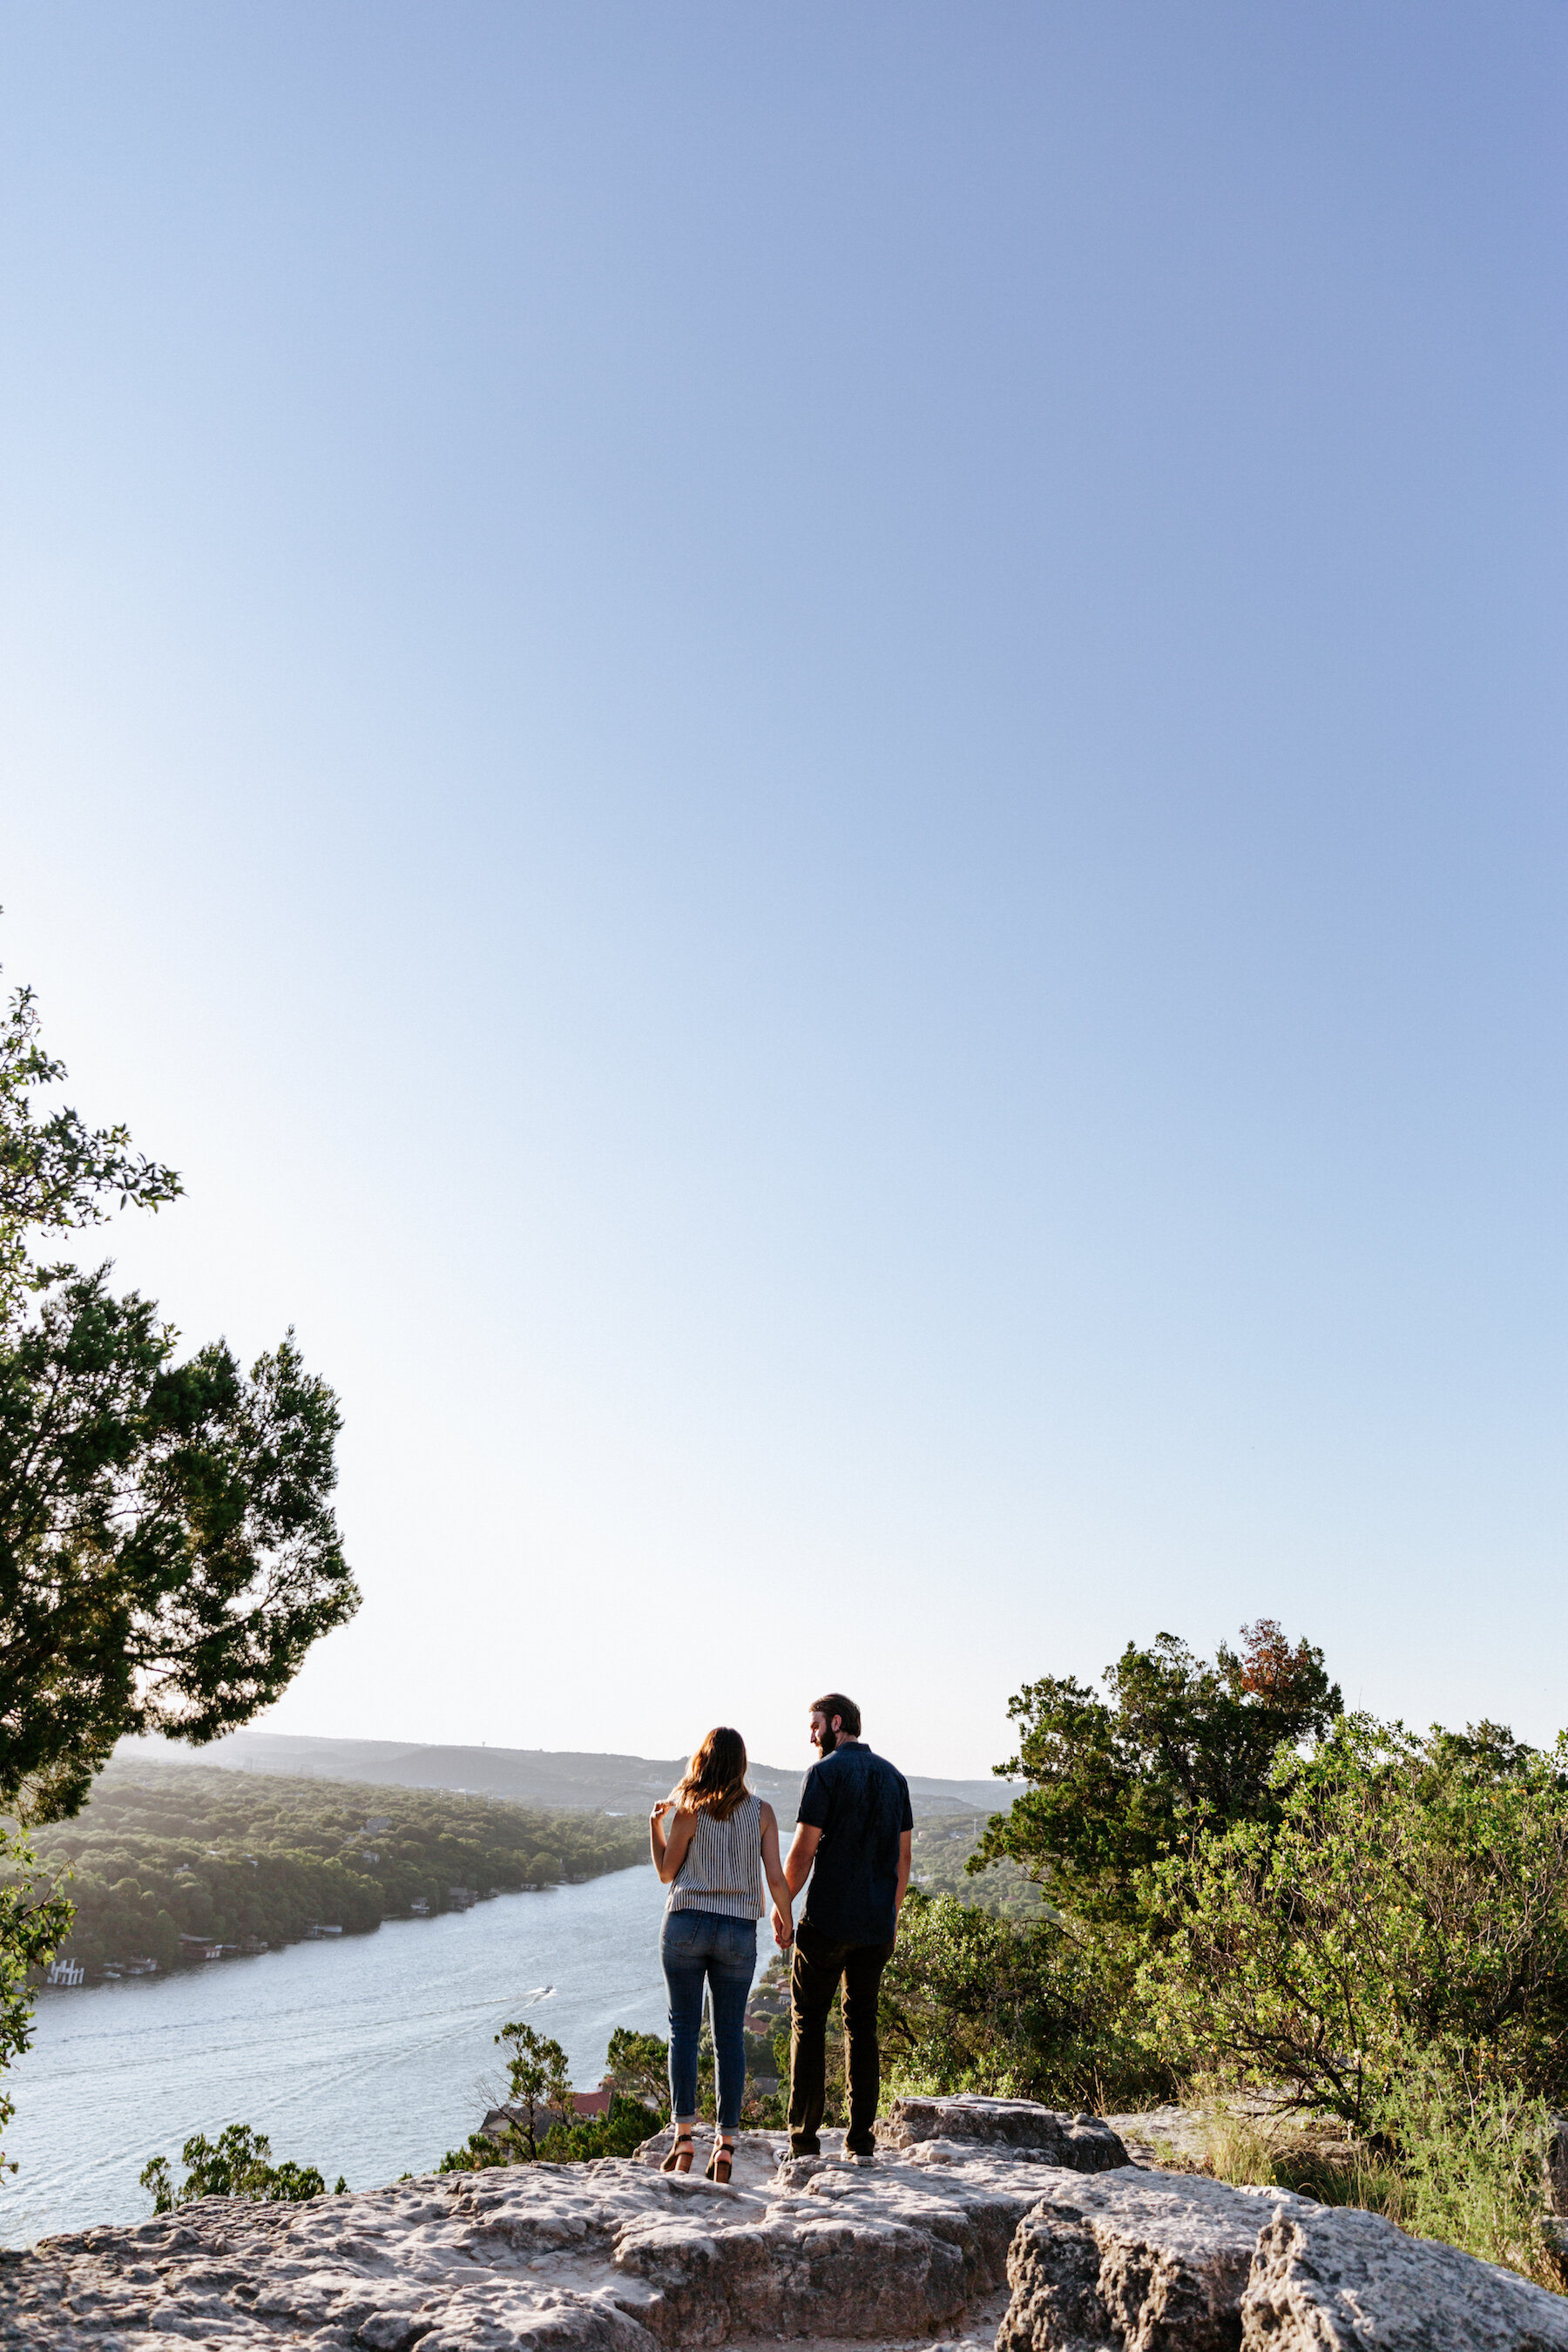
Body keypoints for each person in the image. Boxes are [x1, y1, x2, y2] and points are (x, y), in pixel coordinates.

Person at [650, 1725, 794, 2183]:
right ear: (741, 1764)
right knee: (729, 2035)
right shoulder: (763, 1813)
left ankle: (685, 2137)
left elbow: (665, 1872)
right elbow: (774, 1878)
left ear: (703, 1762)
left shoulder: (688, 1810)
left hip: (687, 1923)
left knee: (684, 2030)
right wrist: (785, 1920)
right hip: (737, 1930)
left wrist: (654, 1826)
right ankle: (727, 2145)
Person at [775, 1692, 912, 2163]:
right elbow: (904, 1862)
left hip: (828, 1922)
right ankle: (860, 2142)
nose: (810, 1735)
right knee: (862, 2028)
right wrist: (890, 1917)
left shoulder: (823, 1773)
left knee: (808, 2022)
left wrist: (782, 1905)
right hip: (875, 1926)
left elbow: (804, 1850)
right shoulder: (895, 1779)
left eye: (814, 1725)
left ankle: (804, 2142)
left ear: (836, 1723)